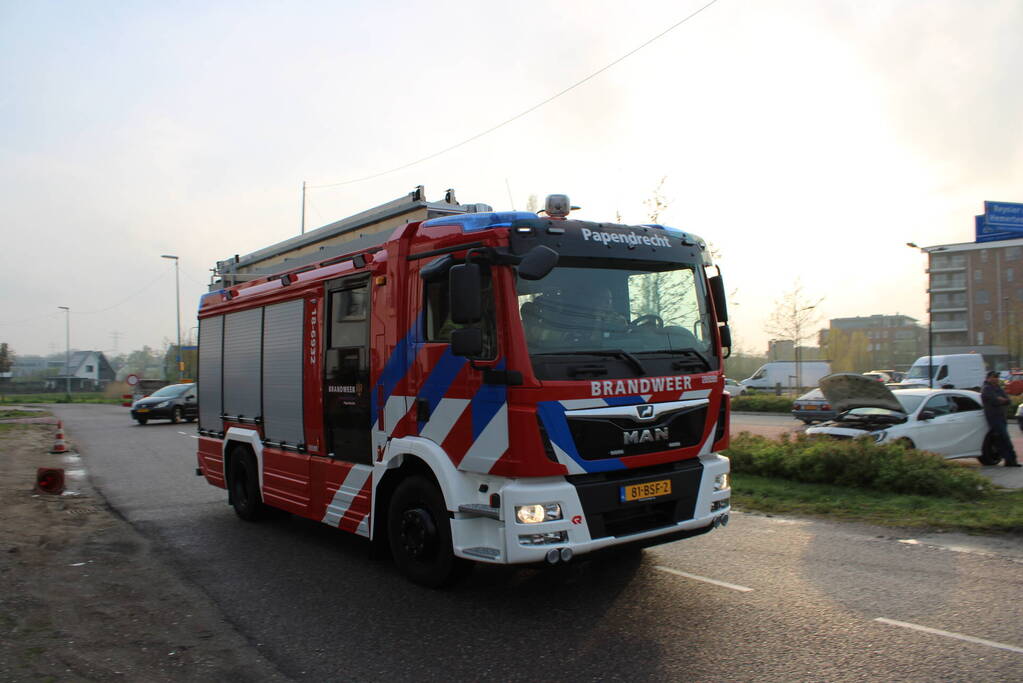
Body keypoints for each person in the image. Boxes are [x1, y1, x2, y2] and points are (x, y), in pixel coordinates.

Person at [981, 370, 1020, 467]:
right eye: (994, 377)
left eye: (997, 377)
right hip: (994, 418)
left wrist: (1002, 399)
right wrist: (1001, 400)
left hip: (1001, 417)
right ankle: (1010, 460)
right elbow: (994, 400)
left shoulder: (997, 388)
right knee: (1003, 439)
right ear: (988, 378)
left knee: (1004, 440)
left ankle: (1011, 461)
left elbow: (1008, 400)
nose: (996, 379)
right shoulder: (986, 389)